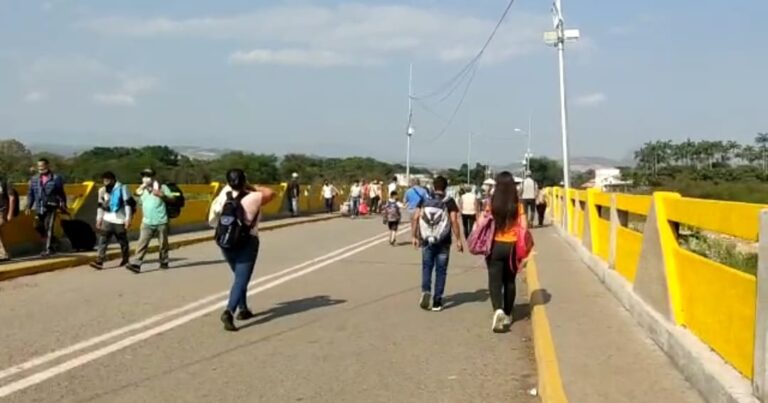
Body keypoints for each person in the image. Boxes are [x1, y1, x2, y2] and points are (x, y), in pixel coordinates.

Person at [209, 169, 275, 331]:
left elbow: (212, 218)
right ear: (244, 180)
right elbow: (271, 193)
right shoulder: (253, 197)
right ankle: (229, 311)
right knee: (241, 279)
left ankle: (243, 309)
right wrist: (252, 186)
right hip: (247, 242)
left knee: (239, 277)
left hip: (226, 241)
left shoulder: (223, 197)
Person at [411, 176, 463, 312]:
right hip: (444, 241)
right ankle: (437, 301)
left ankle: (426, 290)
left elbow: (416, 217)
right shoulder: (449, 201)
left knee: (427, 267)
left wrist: (414, 236)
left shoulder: (424, 199)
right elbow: (454, 221)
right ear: (445, 187)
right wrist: (458, 240)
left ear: (434, 186)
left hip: (426, 240)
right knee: (441, 271)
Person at [484, 171, 526, 332]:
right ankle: (508, 313)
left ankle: (498, 310)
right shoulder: (518, 205)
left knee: (494, 281)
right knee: (510, 281)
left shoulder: (492, 203)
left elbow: (484, 221)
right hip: (513, 247)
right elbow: (524, 227)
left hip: (495, 246)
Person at [125, 169, 175, 273]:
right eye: (144, 176)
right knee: (142, 243)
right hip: (147, 221)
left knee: (163, 244)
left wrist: (162, 195)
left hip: (161, 220)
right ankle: (136, 264)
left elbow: (173, 199)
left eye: (148, 176)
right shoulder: (142, 190)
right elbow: (135, 201)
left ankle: (164, 261)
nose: (146, 178)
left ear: (153, 177)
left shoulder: (162, 188)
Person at [90, 172, 133, 270]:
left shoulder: (122, 188)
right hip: (107, 218)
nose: (105, 182)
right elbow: (100, 206)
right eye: (104, 180)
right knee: (103, 240)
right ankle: (99, 260)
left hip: (120, 219)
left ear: (113, 180)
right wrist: (99, 219)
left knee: (122, 241)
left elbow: (127, 204)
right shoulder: (102, 190)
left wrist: (128, 218)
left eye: (108, 179)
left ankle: (125, 258)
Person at [26, 158, 68, 256]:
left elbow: (61, 193)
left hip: (51, 206)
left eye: (42, 166)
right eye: (39, 166)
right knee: (37, 226)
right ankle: (53, 242)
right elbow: (30, 193)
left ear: (47, 166)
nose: (40, 168)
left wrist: (64, 204)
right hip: (39, 207)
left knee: (48, 226)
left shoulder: (56, 178)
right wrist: (28, 206)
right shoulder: (34, 179)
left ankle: (48, 249)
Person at [0, 177, 17, 262]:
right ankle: (5, 254)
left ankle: (4, 254)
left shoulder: (5, 182)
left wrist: (10, 213)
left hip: (3, 211)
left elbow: (12, 198)